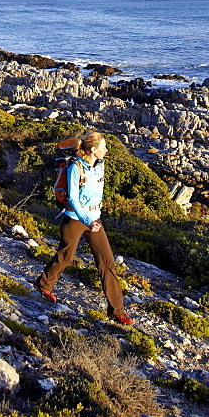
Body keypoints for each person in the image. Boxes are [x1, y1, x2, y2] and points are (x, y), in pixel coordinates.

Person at [34, 131, 133, 325]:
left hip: (95, 220)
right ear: (93, 149)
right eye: (103, 147)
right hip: (76, 219)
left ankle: (117, 311)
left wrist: (94, 219)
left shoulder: (100, 166)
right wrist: (87, 220)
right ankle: (43, 284)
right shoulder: (75, 167)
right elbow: (73, 199)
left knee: (107, 263)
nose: (106, 150)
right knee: (66, 257)